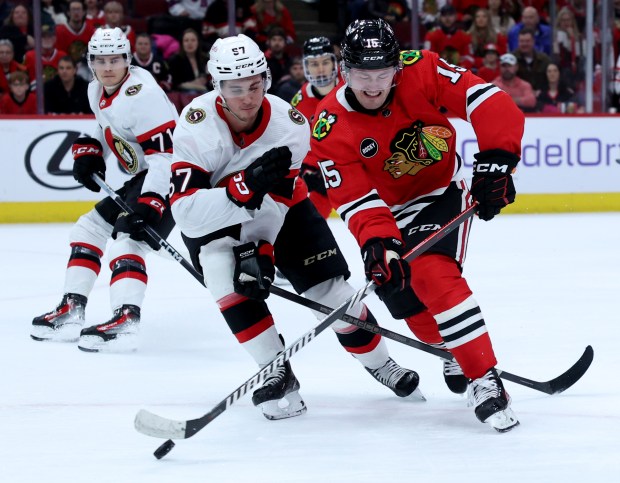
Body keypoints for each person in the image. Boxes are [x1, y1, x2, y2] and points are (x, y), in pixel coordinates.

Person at [170, 33, 421, 421]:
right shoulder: (195, 124)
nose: (247, 98)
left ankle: (381, 364)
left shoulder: (289, 123)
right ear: (216, 86)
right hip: (214, 222)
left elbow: (279, 199)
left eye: (255, 86)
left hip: (281, 213)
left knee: (332, 293)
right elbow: (186, 214)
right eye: (235, 89)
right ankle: (276, 370)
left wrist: (263, 248)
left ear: (266, 79)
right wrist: (239, 191)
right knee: (223, 277)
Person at [307, 19, 523, 432]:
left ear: (397, 69)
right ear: (343, 71)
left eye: (383, 74)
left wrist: (497, 160)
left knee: (429, 269)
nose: (373, 86)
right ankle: (452, 349)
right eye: (362, 75)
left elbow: (489, 100)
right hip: (389, 212)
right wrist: (377, 242)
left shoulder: (422, 69)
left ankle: (485, 378)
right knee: (400, 293)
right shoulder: (329, 125)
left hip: (442, 191)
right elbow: (355, 199)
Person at [31, 28, 179, 353]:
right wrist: (90, 149)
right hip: (146, 175)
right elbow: (105, 124)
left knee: (129, 238)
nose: (108, 66)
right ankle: (72, 308)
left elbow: (167, 157)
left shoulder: (143, 95)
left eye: (115, 59)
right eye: (100, 60)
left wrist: (151, 203)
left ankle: (127, 318)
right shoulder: (96, 89)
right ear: (91, 62)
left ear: (127, 60)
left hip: (177, 177)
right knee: (89, 227)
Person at [291, 36, 342, 219]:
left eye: (325, 62)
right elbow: (297, 142)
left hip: (357, 159)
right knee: (311, 219)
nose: (320, 69)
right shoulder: (300, 101)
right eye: (313, 64)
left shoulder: (352, 86)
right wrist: (307, 170)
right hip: (323, 169)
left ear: (334, 63)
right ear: (305, 66)